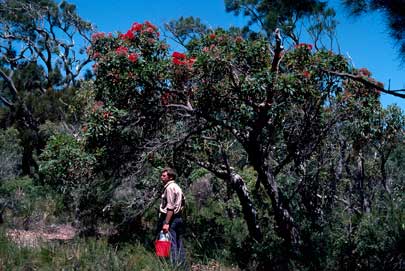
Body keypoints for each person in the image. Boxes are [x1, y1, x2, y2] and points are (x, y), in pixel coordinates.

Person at [157, 167, 186, 267]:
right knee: (179, 245)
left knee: (171, 245)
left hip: (171, 219)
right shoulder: (177, 187)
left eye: (164, 176)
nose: (161, 177)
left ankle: (174, 267)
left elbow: (170, 207)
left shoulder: (169, 188)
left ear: (170, 177)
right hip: (178, 219)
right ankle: (182, 267)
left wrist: (166, 223)